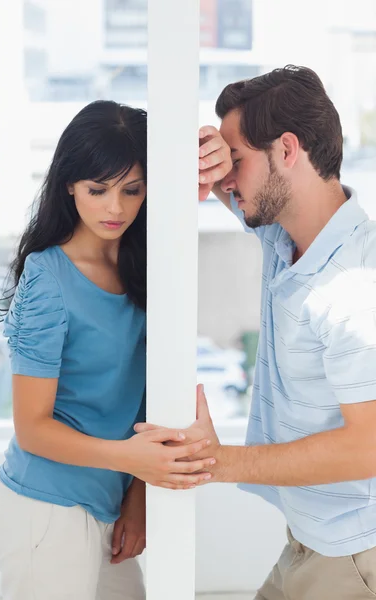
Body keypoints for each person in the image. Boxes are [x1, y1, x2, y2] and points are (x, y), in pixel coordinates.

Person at [137, 65, 376, 599]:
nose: (226, 180)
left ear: (287, 150)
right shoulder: (286, 233)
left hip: (353, 555)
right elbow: (230, 188)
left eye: (237, 160)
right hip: (310, 540)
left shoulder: (355, 283)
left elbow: (369, 445)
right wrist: (211, 146)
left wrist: (216, 462)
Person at [0, 100, 215, 600]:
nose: (116, 208)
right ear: (69, 184)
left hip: (103, 508)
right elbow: (33, 427)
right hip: (44, 513)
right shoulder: (48, 278)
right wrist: (135, 464)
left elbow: (144, 394)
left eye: (132, 190)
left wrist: (136, 500)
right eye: (98, 190)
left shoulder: (145, 263)